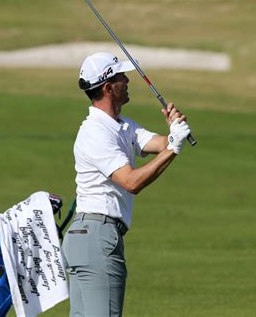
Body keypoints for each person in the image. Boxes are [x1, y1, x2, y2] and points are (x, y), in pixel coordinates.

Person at [62, 52, 191, 317]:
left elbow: (159, 143)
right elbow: (131, 182)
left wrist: (173, 131)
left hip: (86, 237)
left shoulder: (121, 126)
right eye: (121, 76)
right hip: (97, 238)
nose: (127, 80)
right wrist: (174, 149)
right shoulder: (96, 132)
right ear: (109, 87)